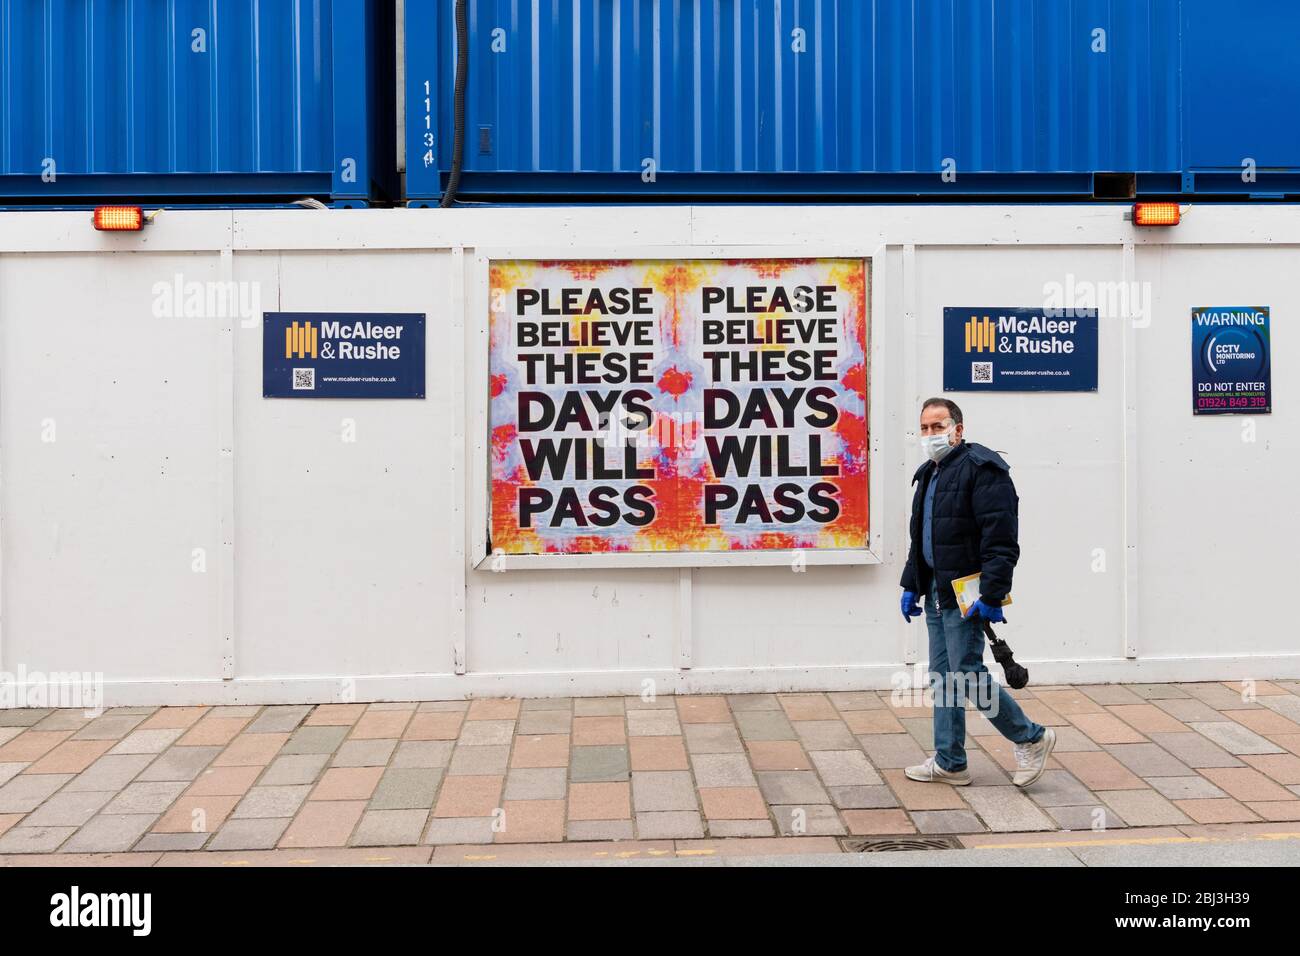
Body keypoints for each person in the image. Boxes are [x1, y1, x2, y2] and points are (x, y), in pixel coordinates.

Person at [898, 398, 1055, 788]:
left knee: (966, 674)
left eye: (939, 426)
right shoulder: (929, 473)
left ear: (958, 429)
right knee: (943, 677)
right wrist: (910, 583)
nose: (932, 435)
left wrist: (993, 592)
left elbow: (1001, 539)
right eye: (925, 428)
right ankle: (950, 762)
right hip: (935, 590)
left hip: (965, 594)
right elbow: (921, 538)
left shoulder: (984, 471)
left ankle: (1031, 737)